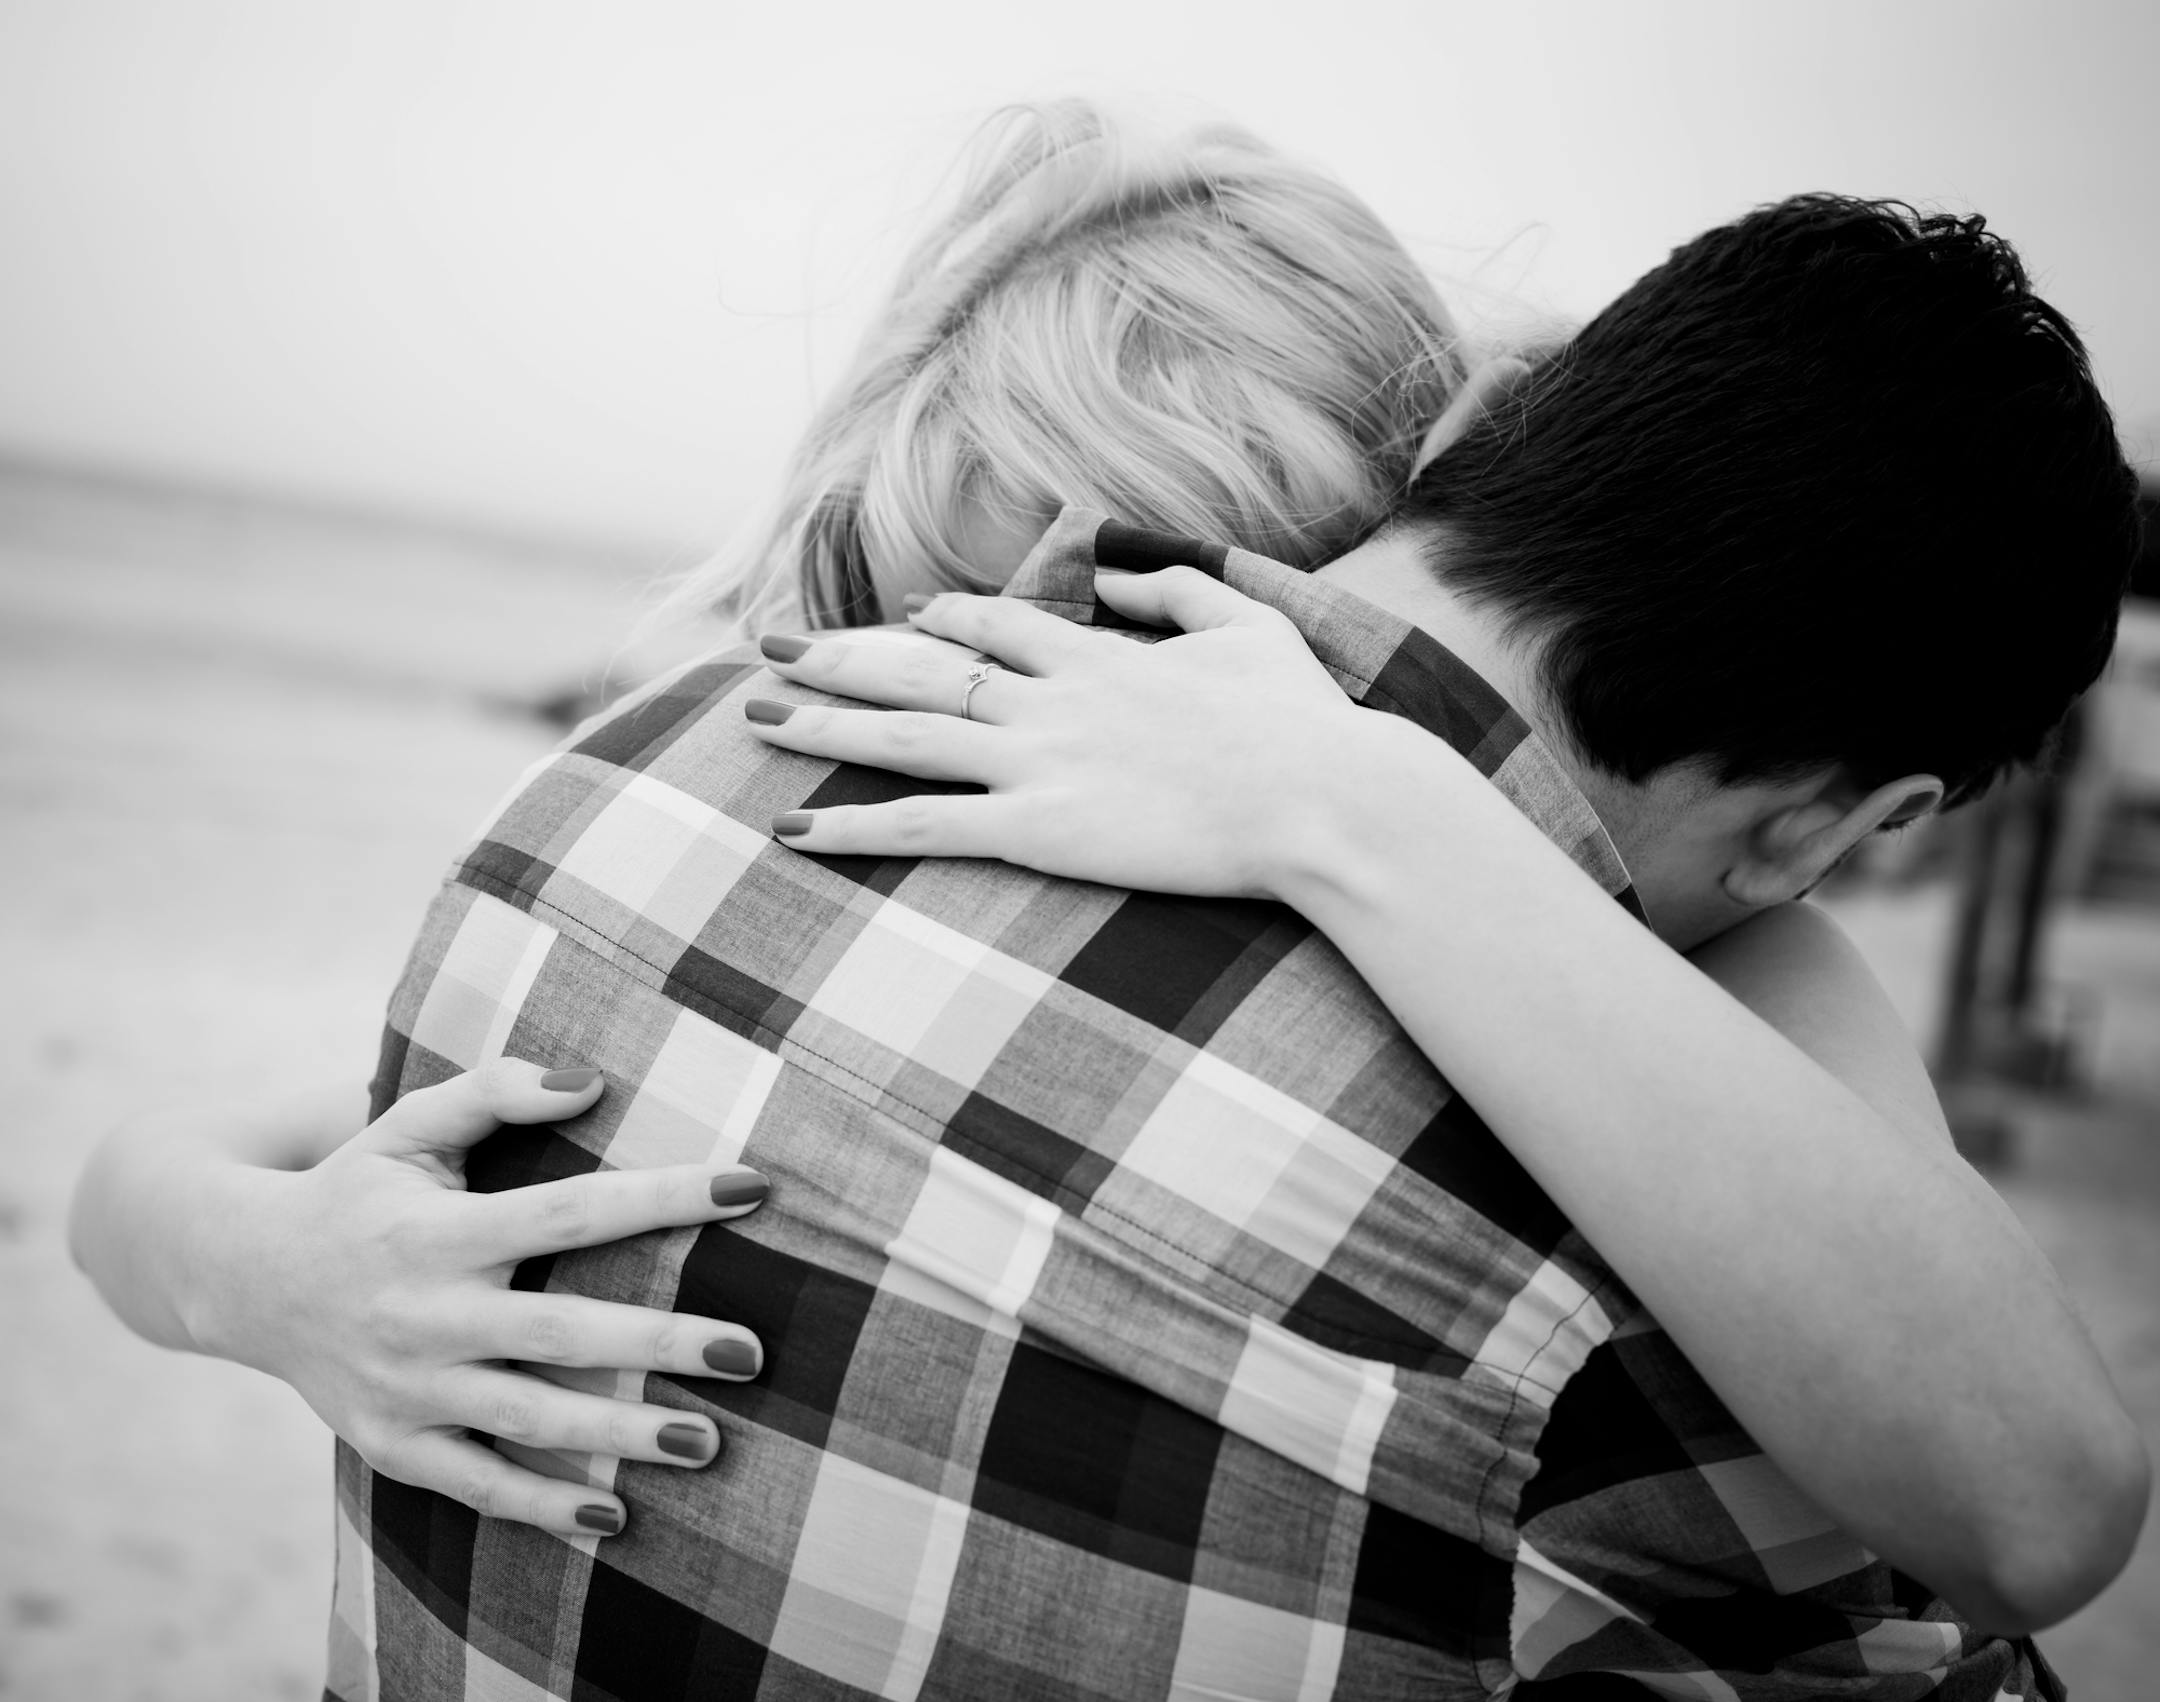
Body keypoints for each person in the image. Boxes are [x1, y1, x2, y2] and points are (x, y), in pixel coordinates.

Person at [68, 109, 2138, 1691]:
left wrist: (1354, 802)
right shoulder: (1634, 1237)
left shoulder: (609, 801)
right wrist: (242, 1260)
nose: (1066, 644)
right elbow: (2036, 1513)